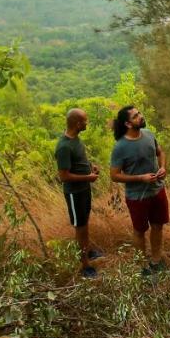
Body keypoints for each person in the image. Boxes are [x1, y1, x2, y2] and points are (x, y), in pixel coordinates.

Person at [109, 105, 169, 275]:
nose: (141, 116)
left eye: (140, 113)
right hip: (137, 197)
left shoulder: (149, 134)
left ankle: (156, 260)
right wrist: (139, 178)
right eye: (136, 116)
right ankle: (142, 267)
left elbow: (160, 152)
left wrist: (163, 167)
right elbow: (114, 175)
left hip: (157, 191)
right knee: (140, 231)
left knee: (158, 226)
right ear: (128, 124)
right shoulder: (120, 147)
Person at [55, 107, 103, 278]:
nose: (87, 123)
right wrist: (87, 178)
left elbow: (79, 161)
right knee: (80, 227)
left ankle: (88, 250)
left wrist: (91, 168)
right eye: (84, 120)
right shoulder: (63, 147)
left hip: (84, 190)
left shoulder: (76, 140)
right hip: (75, 193)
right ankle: (85, 266)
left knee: (84, 222)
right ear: (77, 123)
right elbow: (64, 176)